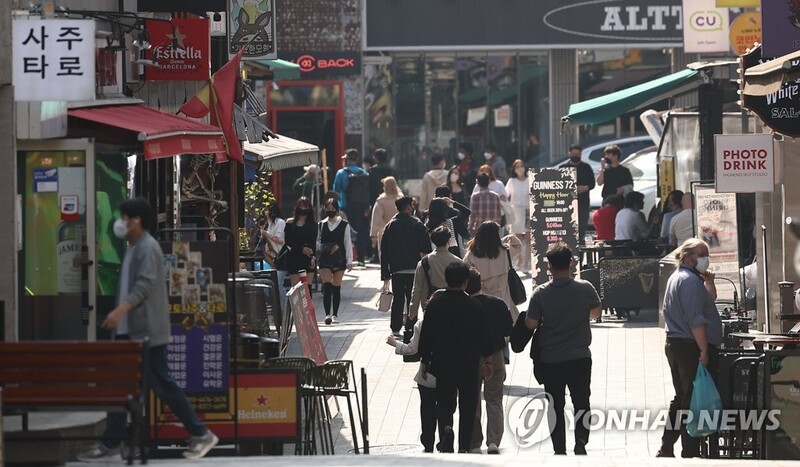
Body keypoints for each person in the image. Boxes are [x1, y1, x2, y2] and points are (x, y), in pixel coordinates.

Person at [79, 198, 218, 462]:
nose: (120, 223)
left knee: (161, 384)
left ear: (136, 220)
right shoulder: (133, 248)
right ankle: (111, 442)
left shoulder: (148, 247)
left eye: (124, 217)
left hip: (146, 333)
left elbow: (144, 285)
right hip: (129, 331)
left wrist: (119, 311)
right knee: (120, 386)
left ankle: (200, 433)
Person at [525, 242, 602, 456]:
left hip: (551, 359)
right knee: (581, 401)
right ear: (571, 262)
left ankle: (559, 447)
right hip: (580, 357)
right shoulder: (585, 288)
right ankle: (581, 441)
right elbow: (596, 313)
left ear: (549, 266)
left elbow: (530, 324)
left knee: (554, 404)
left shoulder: (540, 293)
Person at [418, 262, 494, 454]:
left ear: (446, 280)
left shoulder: (435, 304)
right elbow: (485, 335)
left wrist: (425, 362)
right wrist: (488, 360)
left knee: (444, 404)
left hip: (443, 363)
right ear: (466, 282)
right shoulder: (474, 305)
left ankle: (446, 433)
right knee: (468, 406)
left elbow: (426, 336)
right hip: (468, 365)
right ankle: (464, 446)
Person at [658, 238, 722, 459]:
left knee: (683, 397)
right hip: (689, 347)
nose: (705, 259)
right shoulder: (689, 281)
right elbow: (696, 319)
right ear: (687, 256)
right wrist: (703, 350)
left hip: (678, 345)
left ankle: (667, 446)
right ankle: (689, 452)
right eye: (701, 254)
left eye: (707, 254)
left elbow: (707, 299)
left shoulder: (683, 278)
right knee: (692, 401)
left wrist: (709, 281)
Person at [466, 269, 512, 455]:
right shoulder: (497, 304)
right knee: (494, 399)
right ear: (481, 283)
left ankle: (475, 441)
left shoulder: (463, 306)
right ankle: (493, 441)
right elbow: (508, 328)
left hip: (469, 358)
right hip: (495, 355)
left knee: (472, 400)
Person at [381, 196, 433, 335]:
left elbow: (384, 251)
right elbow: (426, 247)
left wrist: (385, 274)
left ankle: (395, 327)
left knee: (398, 299)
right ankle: (411, 325)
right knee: (412, 298)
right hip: (414, 268)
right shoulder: (416, 224)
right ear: (409, 207)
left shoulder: (390, 225)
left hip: (397, 269)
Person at [386, 318, 438, 452]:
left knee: (427, 410)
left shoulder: (422, 323)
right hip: (450, 375)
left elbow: (412, 349)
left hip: (428, 375)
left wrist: (395, 344)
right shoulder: (455, 319)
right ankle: (445, 438)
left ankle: (428, 443)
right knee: (446, 410)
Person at [463, 221, 519, 322]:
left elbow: (464, 268)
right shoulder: (505, 251)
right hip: (504, 295)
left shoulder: (472, 255)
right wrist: (511, 238)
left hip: (483, 296)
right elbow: (518, 247)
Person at [408, 226, 464, 321]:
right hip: (454, 305)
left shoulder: (424, 262)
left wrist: (412, 313)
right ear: (448, 241)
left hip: (429, 305)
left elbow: (417, 289)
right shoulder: (457, 261)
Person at [318, 198, 354, 325]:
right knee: (327, 286)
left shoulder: (344, 224)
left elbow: (347, 243)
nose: (330, 211)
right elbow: (317, 242)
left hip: (339, 258)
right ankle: (327, 314)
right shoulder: (321, 224)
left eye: (332, 208)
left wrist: (350, 260)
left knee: (336, 287)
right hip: (325, 258)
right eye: (327, 209)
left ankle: (335, 314)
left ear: (337, 209)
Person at [333, 148, 370, 266]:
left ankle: (345, 258)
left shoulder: (341, 173)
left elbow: (336, 190)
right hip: (361, 206)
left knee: (344, 231)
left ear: (347, 159)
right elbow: (367, 191)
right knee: (361, 231)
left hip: (345, 206)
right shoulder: (364, 173)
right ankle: (361, 259)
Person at [560, 145, 596, 244]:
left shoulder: (586, 167)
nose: (576, 156)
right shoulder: (563, 168)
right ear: (569, 154)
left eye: (578, 154)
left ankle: (581, 254)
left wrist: (584, 188)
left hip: (583, 203)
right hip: (567, 204)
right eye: (574, 154)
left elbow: (592, 183)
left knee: (581, 230)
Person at [256, 203, 288, 309]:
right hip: (273, 257)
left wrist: (266, 234)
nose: (265, 213)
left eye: (266, 210)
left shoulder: (280, 222)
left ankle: (285, 307)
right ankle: (279, 307)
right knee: (274, 284)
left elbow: (280, 240)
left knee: (279, 284)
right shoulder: (268, 223)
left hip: (282, 256)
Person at [283, 197, 318, 288]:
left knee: (307, 287)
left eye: (305, 206)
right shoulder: (290, 224)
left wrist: (313, 257)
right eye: (301, 206)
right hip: (294, 258)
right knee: (296, 288)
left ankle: (308, 303)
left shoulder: (313, 225)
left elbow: (313, 242)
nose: (303, 209)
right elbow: (288, 242)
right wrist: (301, 249)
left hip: (308, 258)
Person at [505, 159, 531, 272]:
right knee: (517, 238)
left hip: (528, 211)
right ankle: (519, 261)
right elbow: (505, 194)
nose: (520, 169)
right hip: (515, 211)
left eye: (521, 166)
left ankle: (527, 262)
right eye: (517, 167)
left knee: (529, 238)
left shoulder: (530, 180)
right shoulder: (512, 181)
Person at [370, 176, 403, 257]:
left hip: (385, 230)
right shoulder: (401, 198)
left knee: (385, 255)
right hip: (400, 230)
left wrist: (373, 235)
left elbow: (376, 219)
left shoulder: (381, 200)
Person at [434, 185, 471, 256]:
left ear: (435, 196)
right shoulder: (455, 213)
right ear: (450, 197)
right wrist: (453, 202)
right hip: (454, 249)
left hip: (436, 252)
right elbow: (467, 212)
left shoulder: (430, 215)